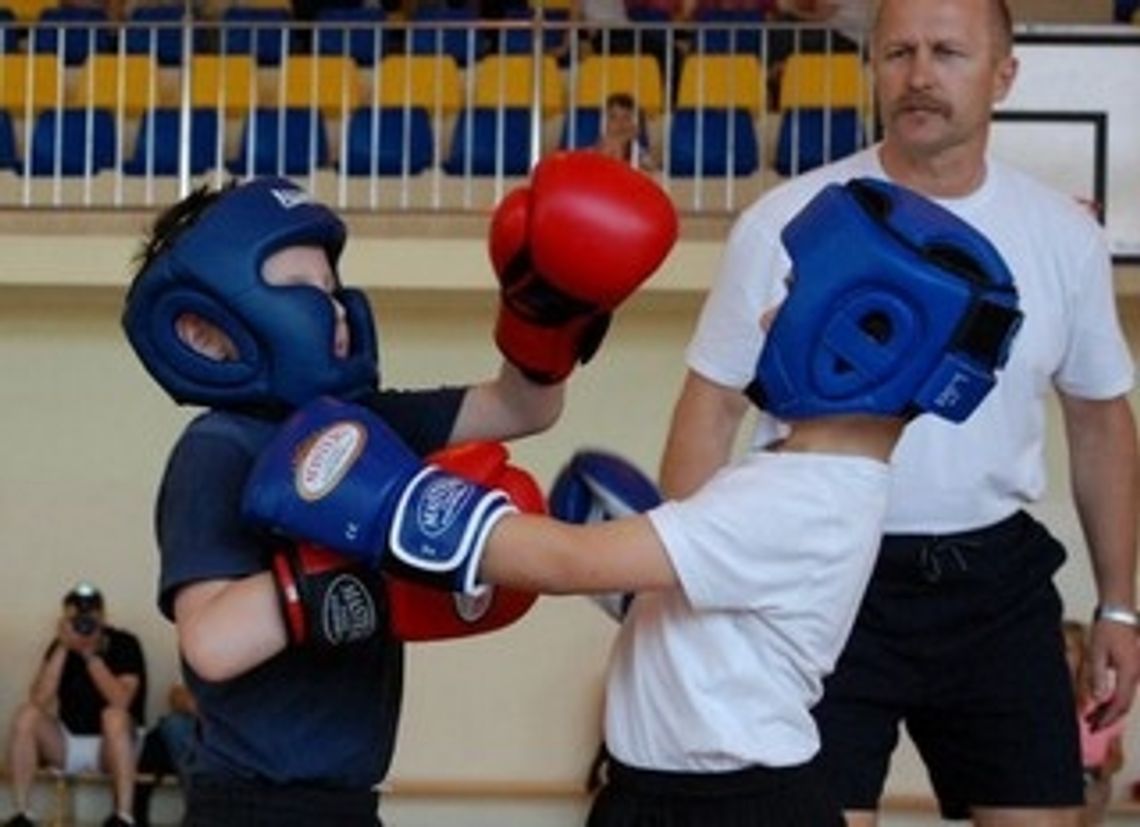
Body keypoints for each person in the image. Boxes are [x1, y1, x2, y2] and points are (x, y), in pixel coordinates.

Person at [241, 176, 1024, 826]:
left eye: (788, 296)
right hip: (673, 793)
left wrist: (387, 500)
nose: (766, 314)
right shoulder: (804, 480)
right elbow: (718, 612)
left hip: (731, 807)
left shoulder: (802, 497)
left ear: (865, 332)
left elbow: (568, 560)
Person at [658, 0, 1140, 824]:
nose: (920, 75)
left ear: (1005, 74)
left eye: (948, 52)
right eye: (898, 53)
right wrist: (680, 593)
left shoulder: (1063, 235)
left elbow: (1100, 423)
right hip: (821, 579)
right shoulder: (788, 222)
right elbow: (709, 412)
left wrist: (1119, 603)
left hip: (996, 584)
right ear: (873, 66)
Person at [119, 157, 676, 826]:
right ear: (204, 330)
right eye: (301, 285)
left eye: (332, 285)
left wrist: (545, 307)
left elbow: (522, 406)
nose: (332, 305)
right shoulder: (219, 446)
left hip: (349, 801)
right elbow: (210, 640)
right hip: (253, 804)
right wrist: (365, 551)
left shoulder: (365, 425)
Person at [3, 583, 147, 827]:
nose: (84, 623)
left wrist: (90, 655)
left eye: (89, 615)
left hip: (114, 745)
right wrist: (63, 646)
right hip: (69, 743)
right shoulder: (60, 646)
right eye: (77, 617)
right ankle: (22, 814)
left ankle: (123, 817)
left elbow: (121, 701)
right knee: (26, 715)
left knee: (113, 716)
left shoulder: (125, 643)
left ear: (102, 616)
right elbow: (39, 699)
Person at [1064, 620, 1128, 827]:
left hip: (1092, 783)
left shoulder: (1102, 702)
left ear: (1084, 655)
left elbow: (1116, 755)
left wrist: (1103, 770)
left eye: (1066, 649)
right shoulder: (1040, 702)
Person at [131, 684, 197, 827]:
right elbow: (176, 696)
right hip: (194, 734)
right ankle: (197, 811)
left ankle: (199, 813)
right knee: (173, 725)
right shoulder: (204, 666)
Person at [594, 92, 659, 172]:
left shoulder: (639, 151)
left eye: (627, 117)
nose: (620, 123)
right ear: (604, 124)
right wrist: (621, 140)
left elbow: (649, 171)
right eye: (613, 117)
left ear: (637, 125)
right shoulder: (599, 147)